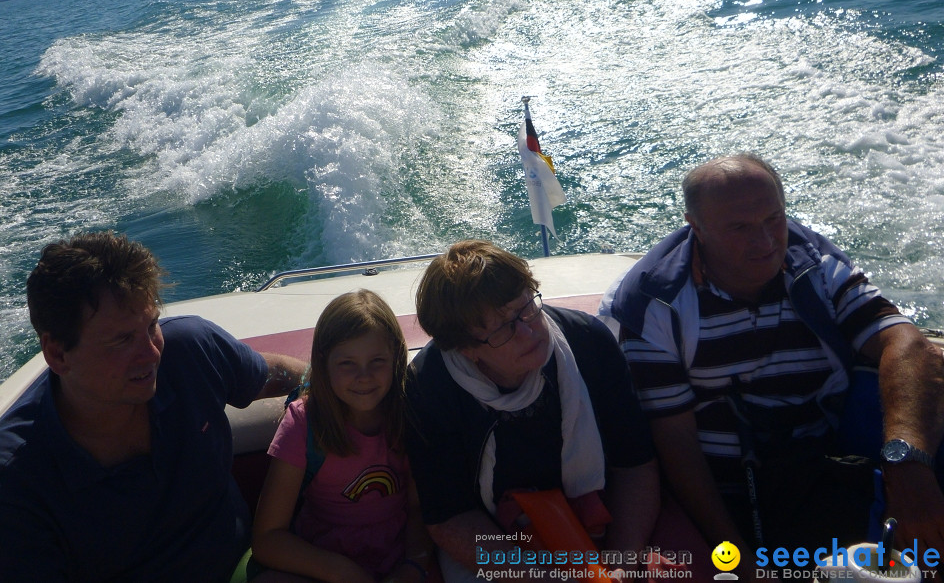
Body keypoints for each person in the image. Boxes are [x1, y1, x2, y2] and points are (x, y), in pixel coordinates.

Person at [601, 153, 944, 555]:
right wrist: (740, 561)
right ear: (696, 227)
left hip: (833, 459)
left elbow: (905, 343)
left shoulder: (813, 263)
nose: (765, 243)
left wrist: (906, 465)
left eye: (773, 220)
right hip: (740, 493)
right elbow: (677, 446)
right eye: (740, 228)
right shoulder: (656, 304)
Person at [0, 231, 306, 583]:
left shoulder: (189, 352)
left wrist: (326, 392)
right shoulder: (8, 484)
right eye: (123, 340)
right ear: (58, 354)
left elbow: (284, 377)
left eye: (152, 325)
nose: (151, 354)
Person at [405, 240, 661, 582]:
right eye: (503, 328)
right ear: (467, 349)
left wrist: (620, 564)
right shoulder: (430, 385)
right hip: (495, 543)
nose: (528, 331)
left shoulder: (588, 342)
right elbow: (451, 517)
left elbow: (635, 465)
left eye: (526, 308)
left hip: (597, 517)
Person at [251, 290, 433, 583]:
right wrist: (342, 571)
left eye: (377, 361)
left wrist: (413, 566)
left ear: (396, 357)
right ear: (323, 364)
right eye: (347, 363)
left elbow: (417, 508)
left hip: (400, 556)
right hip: (324, 563)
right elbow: (267, 538)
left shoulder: (410, 412)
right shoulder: (303, 423)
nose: (364, 376)